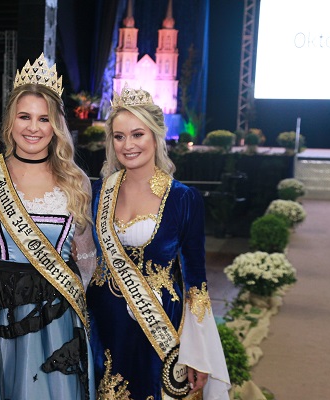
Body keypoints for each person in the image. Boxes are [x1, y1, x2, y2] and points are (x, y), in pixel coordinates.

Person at [0, 53, 96, 400]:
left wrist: (70, 307)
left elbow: (86, 260)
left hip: (56, 312)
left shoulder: (76, 180)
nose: (33, 127)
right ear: (10, 121)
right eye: (24, 116)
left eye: (43, 118)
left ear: (56, 126)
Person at [86, 86, 230, 399]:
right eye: (119, 136)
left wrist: (199, 353)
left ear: (155, 136)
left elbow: (197, 285)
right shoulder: (98, 192)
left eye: (137, 134)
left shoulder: (183, 198)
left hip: (159, 327)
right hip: (104, 327)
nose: (128, 145)